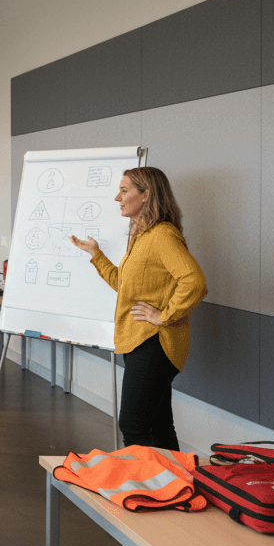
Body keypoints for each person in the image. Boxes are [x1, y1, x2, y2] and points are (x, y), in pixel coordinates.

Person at [71, 167, 207, 451]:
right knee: (157, 425)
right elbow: (125, 284)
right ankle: (174, 486)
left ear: (146, 195)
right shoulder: (143, 236)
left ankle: (147, 490)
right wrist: (97, 256)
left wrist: (164, 315)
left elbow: (194, 280)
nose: (117, 198)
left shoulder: (162, 235)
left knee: (133, 425)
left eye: (124, 190)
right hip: (139, 342)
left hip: (155, 342)